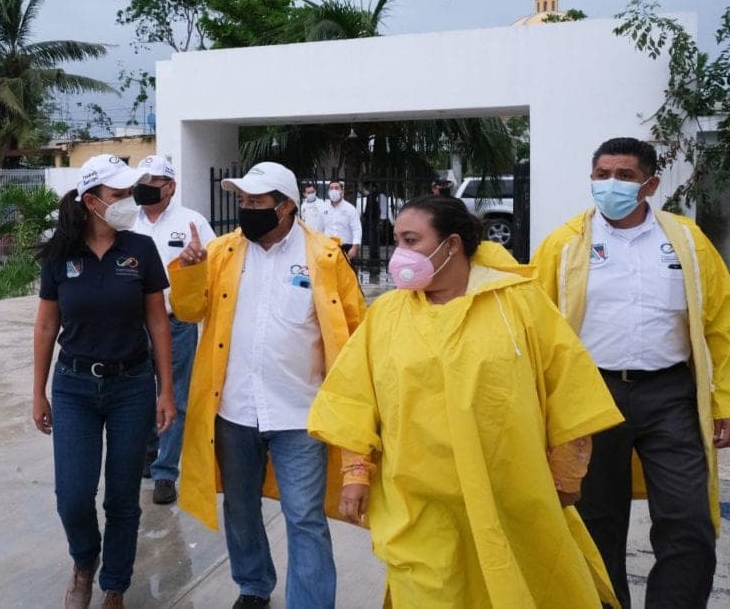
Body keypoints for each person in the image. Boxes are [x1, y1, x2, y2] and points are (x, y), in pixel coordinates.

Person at [308, 194, 624, 607]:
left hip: (508, 498)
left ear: (452, 245)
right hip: (417, 505)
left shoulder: (519, 304)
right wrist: (355, 474)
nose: (399, 253)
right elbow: (353, 397)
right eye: (397, 240)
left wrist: (566, 475)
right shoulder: (387, 314)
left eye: (411, 240)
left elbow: (568, 390)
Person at [532, 136, 730, 608]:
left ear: (650, 183)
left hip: (671, 395)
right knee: (597, 521)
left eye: (624, 175)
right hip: (591, 396)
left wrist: (723, 400)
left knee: (688, 520)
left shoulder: (685, 240)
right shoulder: (565, 242)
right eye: (602, 175)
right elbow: (535, 326)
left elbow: (719, 323)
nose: (611, 185)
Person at [169, 161, 366, 609]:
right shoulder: (221, 253)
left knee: (305, 517)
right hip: (235, 409)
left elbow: (354, 337)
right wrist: (189, 269)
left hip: (301, 413)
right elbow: (188, 312)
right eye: (242, 201)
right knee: (240, 509)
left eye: (257, 202)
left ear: (286, 207)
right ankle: (253, 585)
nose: (246, 209)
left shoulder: (326, 257)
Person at [32, 154, 177, 609]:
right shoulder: (60, 255)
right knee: (73, 496)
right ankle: (83, 562)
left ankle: (114, 584)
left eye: (130, 193)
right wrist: (37, 392)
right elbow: (44, 327)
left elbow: (158, 323)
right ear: (92, 201)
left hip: (131, 385)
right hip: (74, 387)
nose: (128, 202)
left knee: (123, 496)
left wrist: (166, 390)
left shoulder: (140, 250)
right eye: (118, 195)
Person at [131, 154, 216, 505]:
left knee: (174, 395)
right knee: (138, 393)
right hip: (132, 323)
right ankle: (148, 454)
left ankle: (166, 471)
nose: (144, 190)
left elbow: (212, 269)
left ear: (170, 187)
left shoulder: (191, 222)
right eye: (141, 184)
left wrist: (199, 262)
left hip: (175, 322)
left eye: (152, 184)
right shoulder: (125, 221)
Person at [323, 180, 362, 262]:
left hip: (346, 248)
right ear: (328, 191)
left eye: (336, 188)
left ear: (342, 191)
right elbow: (318, 228)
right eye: (331, 188)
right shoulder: (323, 208)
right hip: (328, 247)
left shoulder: (350, 209)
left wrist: (354, 248)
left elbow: (357, 228)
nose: (334, 190)